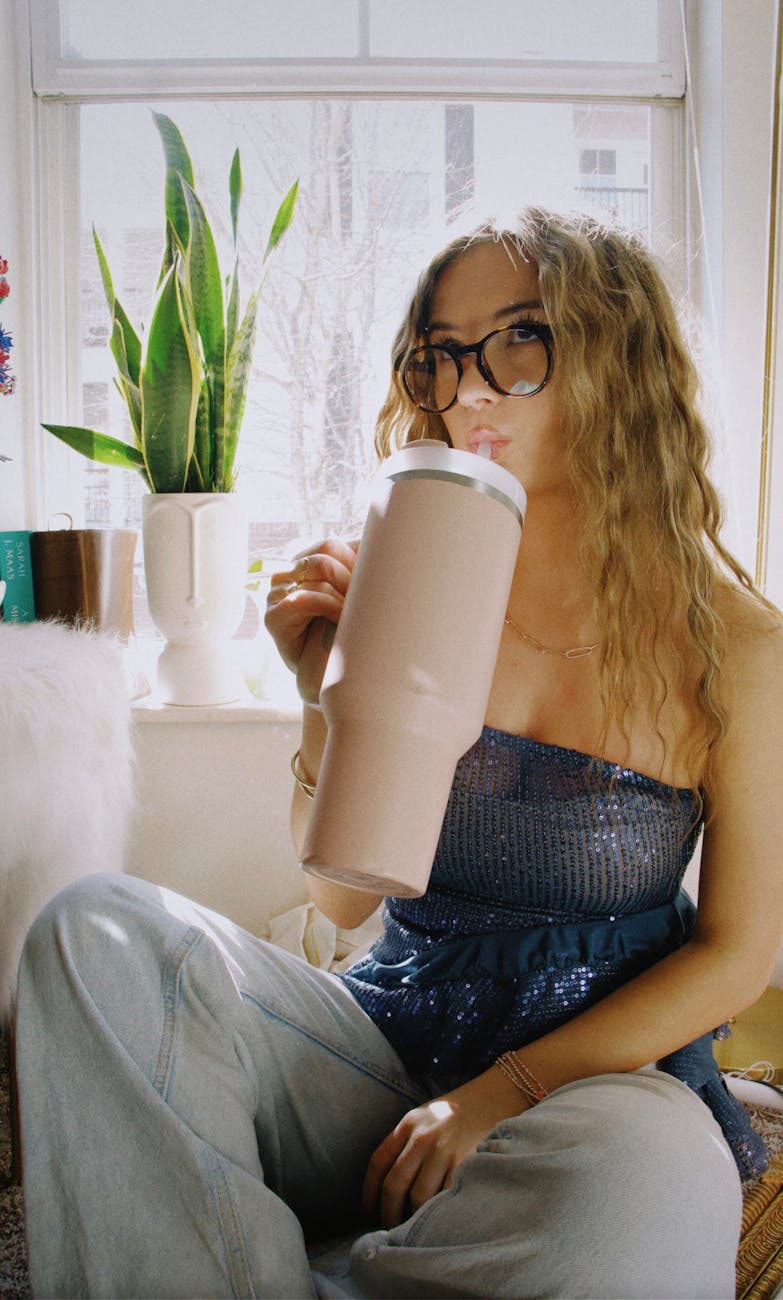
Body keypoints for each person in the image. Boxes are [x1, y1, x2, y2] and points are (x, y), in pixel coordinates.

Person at [16, 208, 783, 1300]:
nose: (466, 385)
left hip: (586, 1098)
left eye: (519, 339)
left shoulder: (739, 645)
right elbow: (336, 898)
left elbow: (734, 956)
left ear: (618, 353)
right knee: (93, 928)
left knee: (656, 1181)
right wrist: (319, 691)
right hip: (373, 1056)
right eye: (439, 352)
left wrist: (496, 1097)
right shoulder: (416, 562)